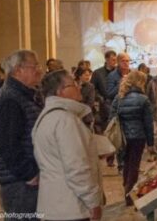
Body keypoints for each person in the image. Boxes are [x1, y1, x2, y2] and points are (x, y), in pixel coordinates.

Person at [33, 70, 103, 220]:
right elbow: (77, 167)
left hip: (53, 205)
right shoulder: (65, 120)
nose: (78, 87)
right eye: (73, 84)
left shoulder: (47, 116)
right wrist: (93, 201)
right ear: (60, 91)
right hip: (71, 207)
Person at [0, 49, 44, 217]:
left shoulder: (24, 95)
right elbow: (8, 144)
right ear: (18, 70)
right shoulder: (10, 99)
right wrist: (29, 173)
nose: (39, 70)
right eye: (34, 66)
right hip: (19, 182)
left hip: (23, 179)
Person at [110, 70, 154, 206]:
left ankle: (127, 191)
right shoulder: (143, 99)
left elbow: (111, 118)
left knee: (126, 164)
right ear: (140, 82)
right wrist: (150, 142)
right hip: (138, 137)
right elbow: (148, 123)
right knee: (134, 165)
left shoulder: (119, 97)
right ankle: (129, 194)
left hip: (122, 137)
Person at [106, 53, 130, 170]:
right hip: (119, 112)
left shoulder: (132, 74)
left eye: (128, 61)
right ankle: (121, 164)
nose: (126, 63)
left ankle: (130, 163)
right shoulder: (112, 76)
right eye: (124, 61)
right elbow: (109, 93)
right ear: (118, 62)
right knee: (121, 140)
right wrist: (121, 84)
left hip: (131, 110)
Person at [91, 50, 117, 132]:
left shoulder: (118, 73)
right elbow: (93, 88)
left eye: (115, 60)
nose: (115, 62)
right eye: (113, 60)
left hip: (117, 103)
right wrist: (100, 97)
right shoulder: (98, 73)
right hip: (104, 105)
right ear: (106, 59)